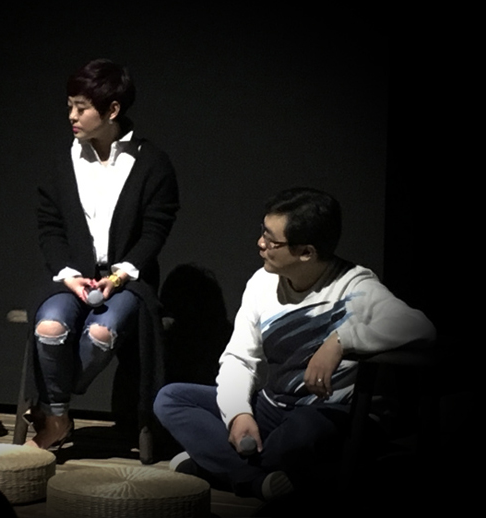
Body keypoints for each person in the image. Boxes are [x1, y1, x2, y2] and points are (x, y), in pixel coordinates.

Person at [153, 187, 435, 501]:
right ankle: (255, 479)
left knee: (300, 433)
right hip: (273, 408)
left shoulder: (355, 286)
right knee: (171, 399)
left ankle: (215, 465)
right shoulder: (262, 283)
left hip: (331, 414)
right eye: (263, 231)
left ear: (306, 252)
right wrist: (238, 414)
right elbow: (239, 358)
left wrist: (340, 340)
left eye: (271, 240)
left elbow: (420, 328)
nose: (260, 243)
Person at [25, 59, 179, 449]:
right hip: (72, 276)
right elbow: (50, 226)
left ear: (112, 109)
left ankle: (50, 403)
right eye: (70, 106)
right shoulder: (63, 160)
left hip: (128, 281)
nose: (72, 116)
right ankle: (58, 418)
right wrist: (67, 273)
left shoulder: (151, 162)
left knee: (99, 333)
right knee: (49, 328)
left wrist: (121, 274)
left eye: (81, 108)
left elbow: (156, 230)